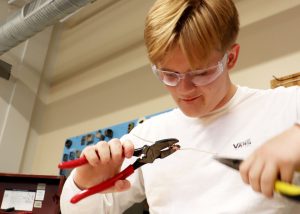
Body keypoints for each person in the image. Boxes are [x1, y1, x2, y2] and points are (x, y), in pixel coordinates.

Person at [60, 0, 300, 213]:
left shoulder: (286, 106)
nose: (184, 89)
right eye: (169, 74)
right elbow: (75, 210)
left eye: (201, 73)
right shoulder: (148, 135)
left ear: (231, 58)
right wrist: (84, 182)